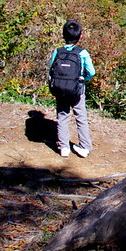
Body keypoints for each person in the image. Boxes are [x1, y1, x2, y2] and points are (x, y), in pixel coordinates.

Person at [48, 19, 96, 158]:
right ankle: (84, 147)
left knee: (62, 116)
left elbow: (51, 70)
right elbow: (91, 72)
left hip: (60, 88)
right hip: (77, 89)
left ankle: (64, 147)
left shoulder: (58, 51)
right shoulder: (82, 53)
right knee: (80, 116)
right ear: (80, 36)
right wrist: (83, 79)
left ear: (63, 34)